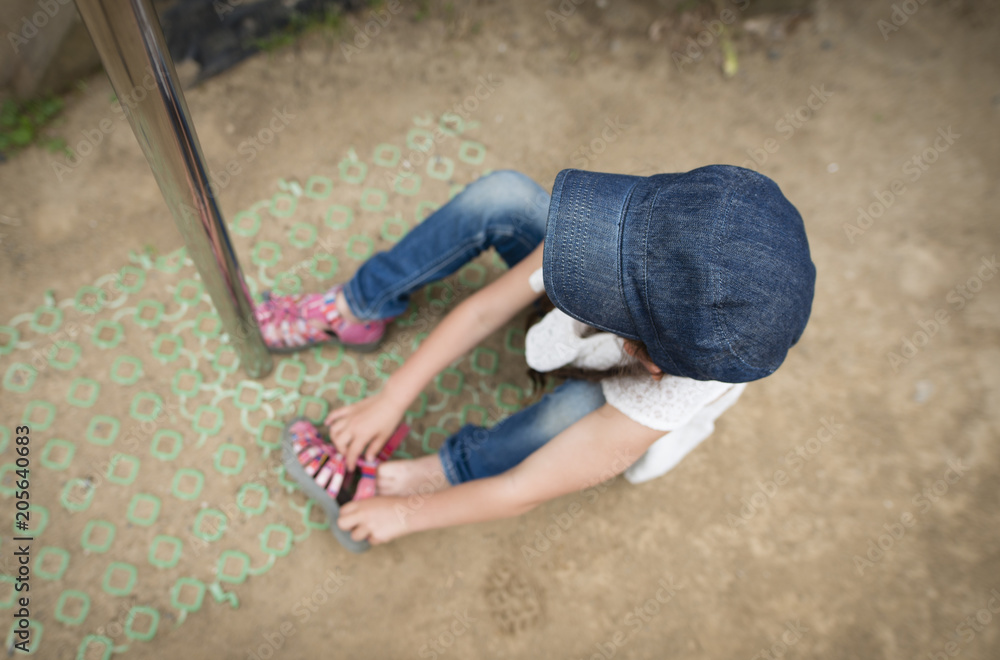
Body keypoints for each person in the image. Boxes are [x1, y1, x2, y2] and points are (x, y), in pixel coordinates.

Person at [255, 167, 816, 551]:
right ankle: (357, 306)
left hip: (620, 377)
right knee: (503, 194)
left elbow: (523, 489)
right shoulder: (643, 241)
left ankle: (408, 480)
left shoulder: (669, 388)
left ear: (642, 355)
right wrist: (391, 396)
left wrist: (403, 516)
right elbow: (484, 311)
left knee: (566, 418)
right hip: (610, 323)